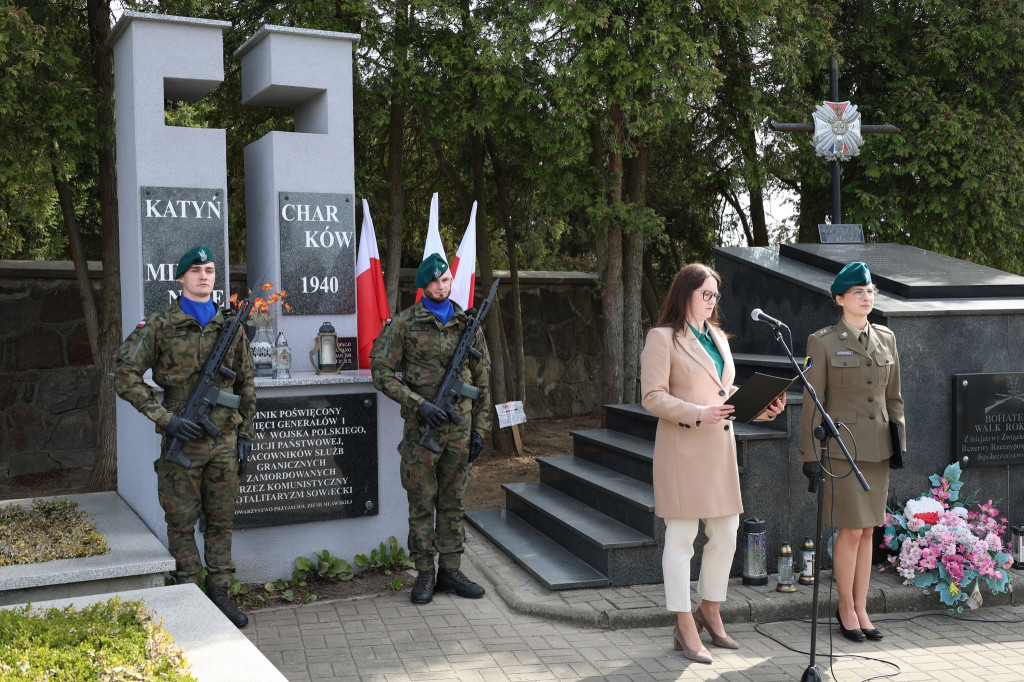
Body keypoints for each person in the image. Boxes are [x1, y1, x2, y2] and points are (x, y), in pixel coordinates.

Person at [640, 263, 785, 664]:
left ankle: (710, 610)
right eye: (706, 293)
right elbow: (652, 396)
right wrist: (698, 412)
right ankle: (684, 623)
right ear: (685, 293)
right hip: (682, 450)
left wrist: (763, 407)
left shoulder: (718, 337)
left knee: (726, 534)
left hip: (719, 450)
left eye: (716, 295)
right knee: (682, 540)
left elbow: (725, 392)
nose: (712, 302)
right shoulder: (662, 338)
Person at [113, 245, 254, 628]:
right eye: (196, 270)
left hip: (224, 439)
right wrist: (164, 418)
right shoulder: (159, 324)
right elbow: (123, 374)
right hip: (183, 438)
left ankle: (220, 591)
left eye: (209, 270)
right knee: (181, 521)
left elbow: (245, 382)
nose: (204, 276)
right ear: (181, 278)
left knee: (221, 521)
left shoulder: (231, 326)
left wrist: (247, 435)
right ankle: (189, 593)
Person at [371, 252, 491, 605]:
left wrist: (480, 429)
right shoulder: (404, 324)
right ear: (423, 286)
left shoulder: (468, 324)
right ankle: (425, 573)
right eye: (436, 281)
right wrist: (417, 403)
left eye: (446, 280)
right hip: (422, 435)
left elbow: (483, 380)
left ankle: (450, 572)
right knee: (422, 505)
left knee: (453, 503)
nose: (442, 286)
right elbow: (380, 371)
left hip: (460, 430)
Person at [799, 261, 905, 643]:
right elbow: (813, 403)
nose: (866, 297)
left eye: (870, 291)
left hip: (877, 450)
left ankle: (862, 608)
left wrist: (899, 444)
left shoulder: (886, 339)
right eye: (858, 292)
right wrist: (811, 455)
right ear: (840, 299)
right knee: (850, 530)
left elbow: (894, 399)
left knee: (868, 531)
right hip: (842, 451)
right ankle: (845, 608)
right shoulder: (823, 342)